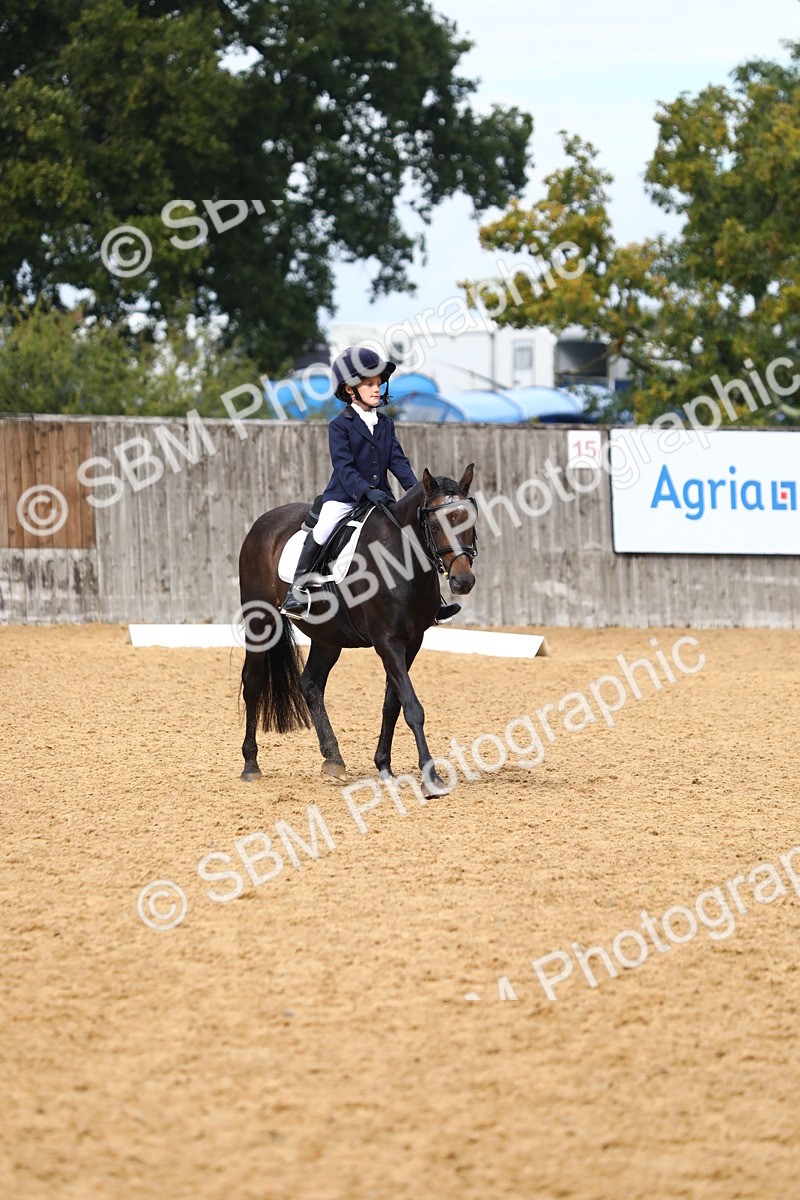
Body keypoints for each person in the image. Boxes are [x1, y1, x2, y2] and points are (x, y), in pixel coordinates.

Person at [280, 345, 461, 623]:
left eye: (378, 384)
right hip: (345, 497)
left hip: (382, 498)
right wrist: (366, 491)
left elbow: (398, 462)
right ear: (350, 389)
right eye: (369, 384)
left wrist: (419, 492)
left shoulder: (386, 424)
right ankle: (297, 589)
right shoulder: (339, 425)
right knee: (324, 528)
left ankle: (434, 601)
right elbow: (344, 468)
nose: (376, 389)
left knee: (417, 531)